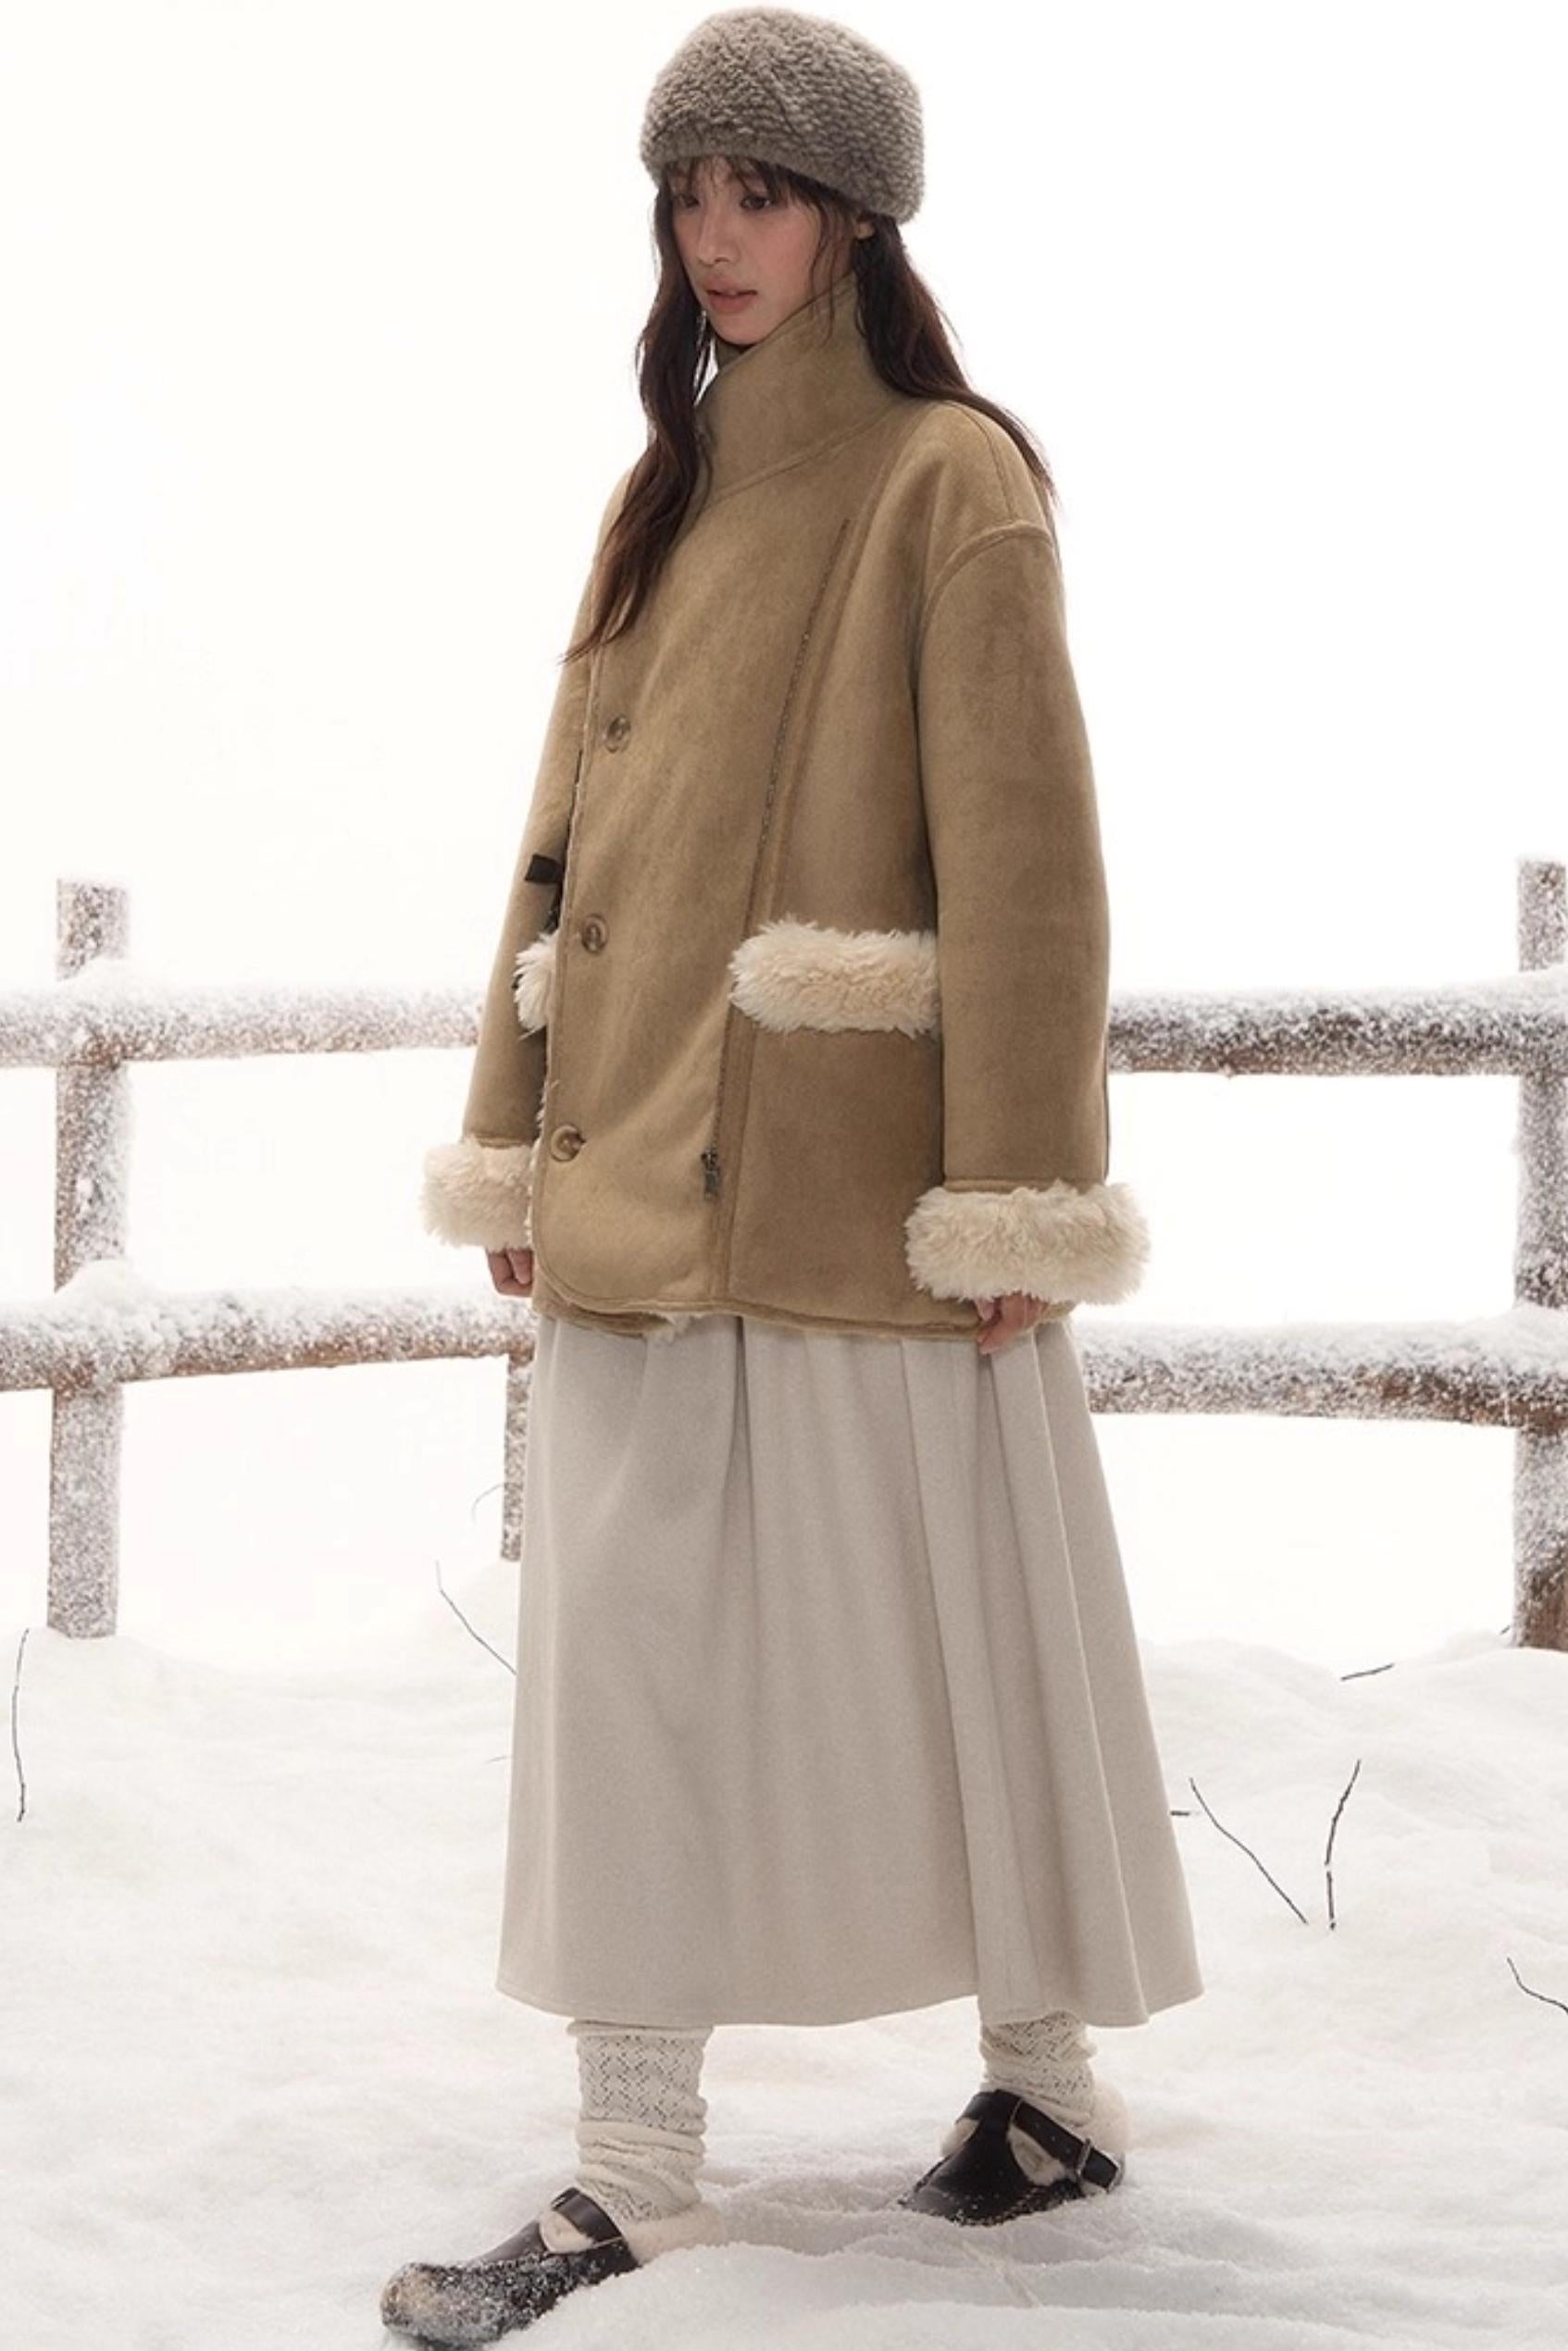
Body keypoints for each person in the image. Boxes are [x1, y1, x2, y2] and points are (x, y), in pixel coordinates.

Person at [387, 6, 1204, 2339]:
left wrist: (1015, 1192)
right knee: (626, 1671)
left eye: (757, 193)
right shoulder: (660, 492)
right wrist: (512, 1135)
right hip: (633, 1175)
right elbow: (554, 848)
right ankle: (635, 2163)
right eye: (688, 194)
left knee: (970, 1632)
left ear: (855, 218)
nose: (714, 237)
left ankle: (1046, 2087)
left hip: (854, 1187)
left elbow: (1029, 870)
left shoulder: (951, 479)